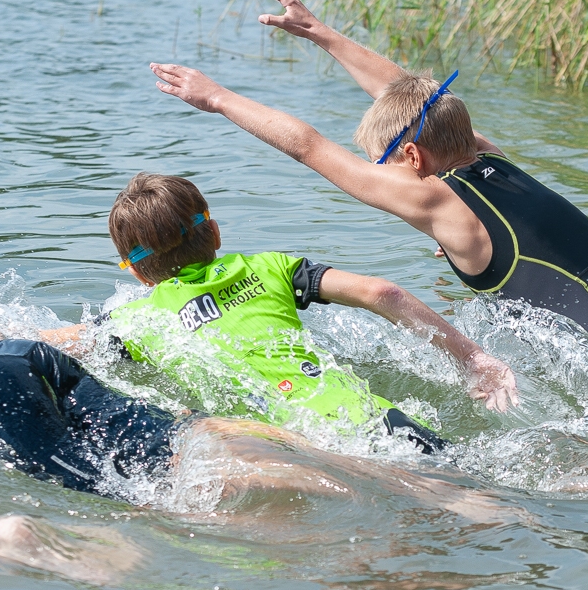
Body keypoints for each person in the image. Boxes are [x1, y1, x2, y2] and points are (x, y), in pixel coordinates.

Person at [146, 0, 588, 448]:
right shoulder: (499, 162)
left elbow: (310, 145)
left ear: (412, 158)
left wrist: (219, 97)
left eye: (384, 160)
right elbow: (426, 106)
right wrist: (323, 34)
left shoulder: (437, 199)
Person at [0, 318, 513, 520]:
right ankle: (433, 482)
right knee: (183, 444)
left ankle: (419, 503)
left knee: (143, 500)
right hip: (5, 355)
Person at [46, 173, 517, 454]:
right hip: (372, 418)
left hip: (296, 448)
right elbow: (382, 292)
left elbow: (62, 344)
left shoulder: (141, 320)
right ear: (214, 232)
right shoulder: (270, 268)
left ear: (137, 274)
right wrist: (473, 359)